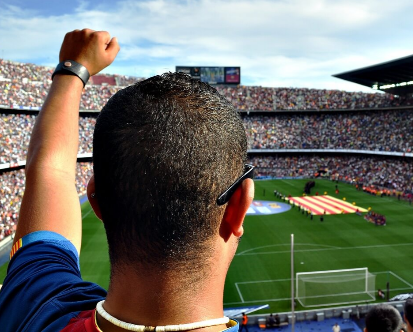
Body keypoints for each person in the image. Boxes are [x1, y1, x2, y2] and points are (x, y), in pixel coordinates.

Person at [0, 29, 254, 332]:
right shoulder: (39, 300)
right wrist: (72, 68)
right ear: (239, 204)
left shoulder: (39, 304)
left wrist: (73, 67)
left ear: (96, 199)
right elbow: (49, 171)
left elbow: (49, 171)